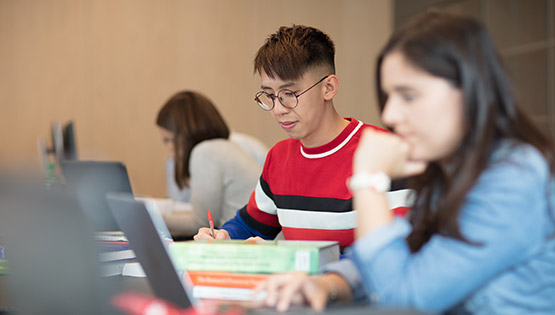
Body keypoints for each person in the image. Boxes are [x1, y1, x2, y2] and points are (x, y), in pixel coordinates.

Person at [254, 12, 555, 314]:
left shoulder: (515, 178)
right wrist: (327, 283)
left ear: (468, 91)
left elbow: (403, 297)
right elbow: (399, 252)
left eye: (408, 96)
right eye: (389, 97)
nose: (391, 116)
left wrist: (369, 180)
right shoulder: (451, 169)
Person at [194, 25, 412, 248]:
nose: (278, 109)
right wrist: (225, 237)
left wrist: (295, 258)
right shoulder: (279, 158)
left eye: (289, 94)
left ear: (328, 87)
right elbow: (250, 225)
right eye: (269, 96)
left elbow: (397, 252)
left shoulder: (384, 154)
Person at [156, 90, 262, 236]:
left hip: (242, 241)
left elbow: (201, 222)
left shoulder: (205, 153)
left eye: (170, 140)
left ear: (185, 133)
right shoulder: (223, 146)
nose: (169, 148)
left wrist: (154, 218)